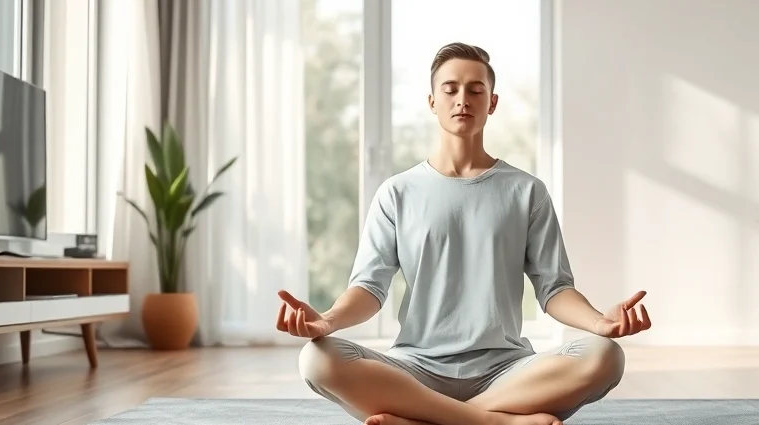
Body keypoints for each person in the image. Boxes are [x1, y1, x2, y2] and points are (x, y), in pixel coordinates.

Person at [276, 42, 652, 425]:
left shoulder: (527, 191)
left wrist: (599, 322)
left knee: (605, 356)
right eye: (450, 89)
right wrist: (327, 321)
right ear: (432, 102)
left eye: (475, 90)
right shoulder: (397, 192)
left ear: (492, 103)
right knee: (316, 359)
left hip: (507, 373)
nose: (462, 100)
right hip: (415, 369)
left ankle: (427, 418)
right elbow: (369, 288)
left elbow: (554, 288)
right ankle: (496, 422)